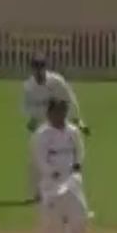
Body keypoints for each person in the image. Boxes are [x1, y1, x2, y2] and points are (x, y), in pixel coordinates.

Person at [30, 98, 90, 233]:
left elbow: (79, 150)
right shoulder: (42, 135)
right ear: (49, 113)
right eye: (57, 111)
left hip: (72, 183)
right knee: (51, 227)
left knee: (81, 220)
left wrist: (77, 164)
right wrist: (51, 172)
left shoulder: (72, 131)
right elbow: (39, 159)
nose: (61, 115)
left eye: (63, 111)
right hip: (52, 185)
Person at [23, 53, 89, 198]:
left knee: (64, 156)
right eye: (36, 68)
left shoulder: (57, 82)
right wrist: (33, 119)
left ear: (45, 68)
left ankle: (69, 191)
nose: (39, 72)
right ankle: (37, 193)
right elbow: (27, 108)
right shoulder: (29, 87)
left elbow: (70, 100)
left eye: (41, 68)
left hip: (59, 125)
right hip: (41, 128)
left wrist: (78, 120)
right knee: (36, 159)